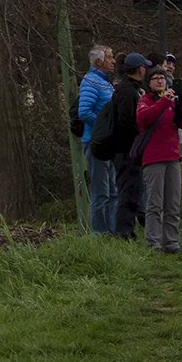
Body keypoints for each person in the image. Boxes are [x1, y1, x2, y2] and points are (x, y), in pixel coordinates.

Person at [136, 66, 182, 253]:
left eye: (162, 78)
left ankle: (172, 242)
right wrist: (164, 101)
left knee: (173, 203)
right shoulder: (145, 101)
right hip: (153, 158)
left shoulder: (172, 100)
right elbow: (145, 119)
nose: (160, 81)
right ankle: (153, 242)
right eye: (155, 79)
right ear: (149, 82)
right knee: (154, 203)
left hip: (173, 156)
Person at [78, 44, 117, 234]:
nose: (114, 61)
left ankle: (113, 232)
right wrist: (105, 128)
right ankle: (100, 235)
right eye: (110, 57)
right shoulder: (90, 81)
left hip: (108, 143)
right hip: (96, 143)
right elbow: (84, 112)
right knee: (101, 193)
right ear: (99, 61)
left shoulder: (105, 82)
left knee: (113, 191)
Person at [112, 53, 152, 239]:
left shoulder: (133, 89)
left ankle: (128, 231)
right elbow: (126, 122)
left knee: (134, 191)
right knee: (128, 192)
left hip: (131, 150)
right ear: (141, 69)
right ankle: (124, 233)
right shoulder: (128, 91)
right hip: (126, 150)